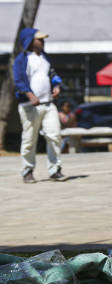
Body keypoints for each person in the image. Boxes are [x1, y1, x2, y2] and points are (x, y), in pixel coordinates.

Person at [13, 28, 65, 184]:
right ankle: (27, 171)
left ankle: (55, 169)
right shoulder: (22, 59)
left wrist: (57, 86)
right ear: (29, 41)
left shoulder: (45, 57)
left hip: (48, 104)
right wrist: (30, 95)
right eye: (39, 39)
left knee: (54, 135)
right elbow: (19, 81)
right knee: (29, 139)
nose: (42, 42)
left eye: (43, 39)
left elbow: (53, 75)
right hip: (29, 105)